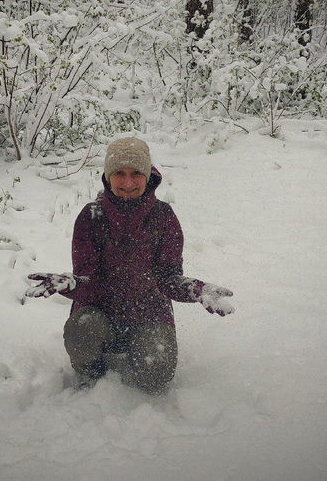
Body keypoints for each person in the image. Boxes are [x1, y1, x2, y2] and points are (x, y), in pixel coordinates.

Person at [25, 137, 234, 393]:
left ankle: (143, 356)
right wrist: (73, 284)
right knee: (81, 331)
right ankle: (93, 376)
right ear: (108, 177)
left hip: (149, 315)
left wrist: (194, 289)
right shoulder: (91, 217)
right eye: (119, 173)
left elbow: (168, 278)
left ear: (148, 176)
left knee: (156, 373)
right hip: (100, 314)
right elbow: (90, 282)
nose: (127, 182)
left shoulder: (163, 216)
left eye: (136, 173)